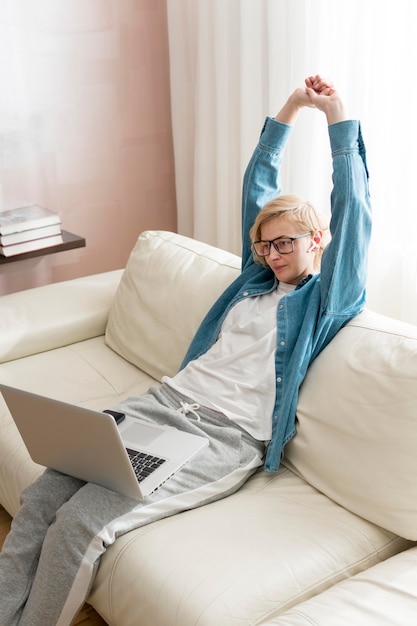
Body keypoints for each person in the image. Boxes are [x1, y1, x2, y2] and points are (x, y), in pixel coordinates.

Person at [0, 75, 371, 625]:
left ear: (317, 239)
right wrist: (291, 108)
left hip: (223, 436)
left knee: (82, 521)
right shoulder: (253, 283)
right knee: (41, 499)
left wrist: (336, 117)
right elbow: (257, 183)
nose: (272, 254)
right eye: (264, 244)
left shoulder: (326, 300)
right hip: (160, 403)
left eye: (286, 242)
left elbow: (355, 212)